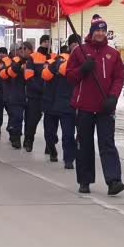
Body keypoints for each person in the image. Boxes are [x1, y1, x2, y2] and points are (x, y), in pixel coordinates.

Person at [67, 15, 124, 195]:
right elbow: (70, 76)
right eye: (97, 30)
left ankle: (113, 180)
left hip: (105, 107)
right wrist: (83, 70)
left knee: (107, 143)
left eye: (102, 30)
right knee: (84, 144)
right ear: (91, 33)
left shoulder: (113, 54)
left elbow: (118, 78)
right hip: (84, 106)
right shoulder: (80, 52)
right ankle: (84, 180)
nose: (100, 33)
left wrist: (113, 98)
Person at [43, 34, 80, 168]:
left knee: (68, 134)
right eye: (73, 44)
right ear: (69, 46)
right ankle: (51, 149)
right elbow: (45, 76)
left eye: (78, 44)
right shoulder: (58, 60)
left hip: (68, 103)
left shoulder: (82, 61)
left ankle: (68, 159)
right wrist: (54, 66)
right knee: (49, 133)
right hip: (51, 101)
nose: (75, 46)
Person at [23, 42, 48, 153]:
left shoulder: (53, 56)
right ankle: (29, 140)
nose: (47, 43)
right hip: (35, 95)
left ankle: (50, 146)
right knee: (33, 120)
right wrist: (40, 89)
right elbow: (28, 76)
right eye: (45, 41)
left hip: (49, 96)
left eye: (49, 41)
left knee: (50, 123)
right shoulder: (33, 58)